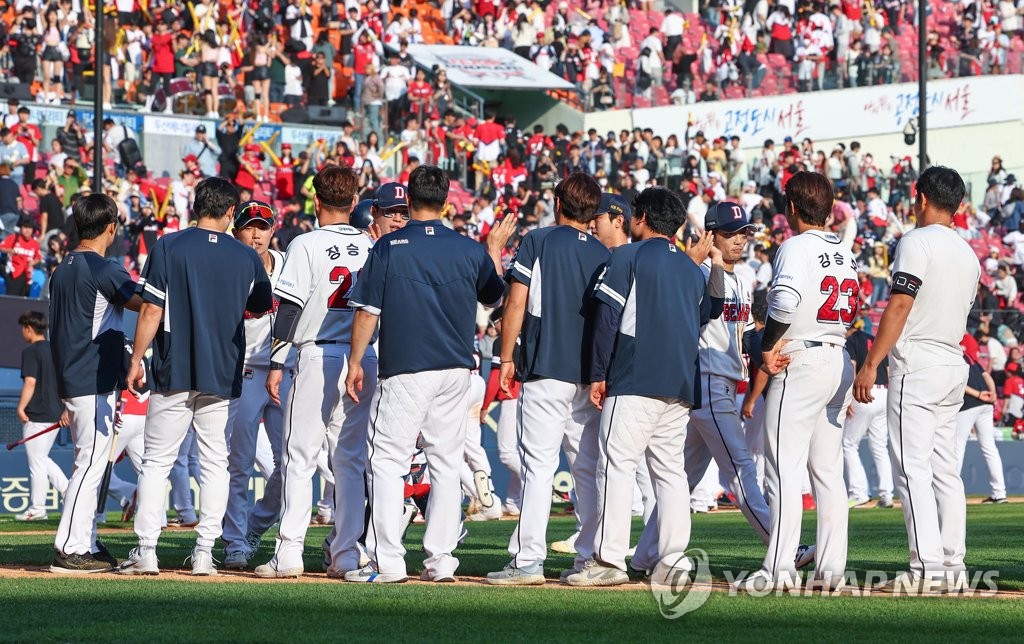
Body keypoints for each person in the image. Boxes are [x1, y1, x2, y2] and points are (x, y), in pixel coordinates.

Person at [343, 165, 515, 583]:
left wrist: (354, 360)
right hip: (457, 368)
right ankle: (440, 562)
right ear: (446, 200)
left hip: (406, 367)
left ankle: (390, 563)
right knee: (445, 462)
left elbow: (367, 310)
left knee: (387, 462)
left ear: (410, 201)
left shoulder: (389, 246)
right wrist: (492, 250)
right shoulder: (467, 247)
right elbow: (494, 297)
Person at [117, 177, 273, 576]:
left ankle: (147, 550)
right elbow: (258, 305)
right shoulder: (247, 257)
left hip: (176, 365)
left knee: (157, 462)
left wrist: (136, 357)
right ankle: (205, 552)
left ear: (196, 207)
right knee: (215, 463)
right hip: (223, 369)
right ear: (228, 213)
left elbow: (151, 308)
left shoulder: (169, 244)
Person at [567, 186, 711, 586]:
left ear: (642, 217)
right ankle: (673, 561)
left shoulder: (627, 255)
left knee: (616, 466)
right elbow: (702, 318)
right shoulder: (689, 267)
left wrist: (598, 374)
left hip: (634, 377)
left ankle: (609, 560)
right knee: (670, 473)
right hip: (680, 382)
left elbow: (607, 319)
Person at [853, 166, 981, 593]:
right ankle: (953, 565)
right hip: (952, 363)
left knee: (912, 469)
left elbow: (900, 305)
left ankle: (926, 568)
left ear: (920, 197)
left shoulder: (914, 241)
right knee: (946, 470)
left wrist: (871, 362)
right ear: (958, 205)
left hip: (919, 364)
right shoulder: (969, 252)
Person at [735, 171, 857, 593]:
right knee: (827, 472)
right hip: (838, 354)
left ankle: (778, 569)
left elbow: (784, 300)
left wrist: (767, 344)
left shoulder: (794, 245)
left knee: (783, 469)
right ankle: (831, 568)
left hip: (800, 356)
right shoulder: (847, 251)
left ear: (791, 208)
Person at [252, 165, 375, 579]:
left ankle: (288, 554)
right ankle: (345, 555)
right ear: (355, 203)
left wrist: (275, 361)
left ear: (317, 201)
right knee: (350, 461)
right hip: (363, 357)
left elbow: (288, 308)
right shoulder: (372, 243)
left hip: (317, 357)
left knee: (299, 458)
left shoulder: (306, 244)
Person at [486, 172, 609, 586]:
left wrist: (505, 357)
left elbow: (516, 300)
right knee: (587, 469)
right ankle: (590, 557)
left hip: (544, 367)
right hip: (586, 373)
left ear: (559, 202)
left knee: (538, 467)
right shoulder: (603, 251)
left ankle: (528, 562)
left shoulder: (538, 240)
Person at [48, 193, 143, 574]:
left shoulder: (63, 267)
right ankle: (69, 548)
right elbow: (142, 302)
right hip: (91, 376)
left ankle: (85, 540)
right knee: (89, 465)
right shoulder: (102, 267)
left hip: (74, 376)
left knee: (86, 463)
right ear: (111, 227)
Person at [221, 201, 294, 570]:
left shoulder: (288, 263)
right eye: (249, 226)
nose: (256, 233)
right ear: (237, 231)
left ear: (272, 230)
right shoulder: (231, 265)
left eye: (262, 226)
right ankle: (234, 541)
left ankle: (253, 526)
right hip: (247, 371)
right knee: (239, 463)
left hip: (286, 371)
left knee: (292, 463)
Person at [15, 311, 67, 522]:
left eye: (23, 328)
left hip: (36, 415)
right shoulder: (56, 350)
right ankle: (68, 491)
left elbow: (30, 382)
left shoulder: (31, 351)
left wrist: (20, 407)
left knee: (37, 462)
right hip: (54, 413)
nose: (22, 332)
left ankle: (38, 508)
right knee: (42, 460)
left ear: (29, 328)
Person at [843, 321, 894, 508]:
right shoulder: (874, 339)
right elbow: (888, 371)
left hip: (864, 392)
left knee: (848, 444)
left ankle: (858, 492)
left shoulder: (852, 340)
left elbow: (852, 368)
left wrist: (848, 398)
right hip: (885, 393)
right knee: (880, 446)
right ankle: (887, 494)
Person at [953, 351, 1007, 505]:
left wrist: (979, 394)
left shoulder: (951, 353)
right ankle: (999, 492)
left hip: (969, 404)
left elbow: (957, 383)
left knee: (957, 447)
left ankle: (952, 493)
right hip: (986, 404)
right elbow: (986, 376)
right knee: (989, 447)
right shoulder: (967, 354)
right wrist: (993, 393)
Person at [0, 215, 41, 296]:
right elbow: (1, 247)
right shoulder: (14, 238)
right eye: (25, 227)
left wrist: (33, 262)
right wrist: (9, 250)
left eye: (29, 228)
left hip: (27, 276)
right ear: (21, 228)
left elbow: (38, 258)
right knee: (12, 299)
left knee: (24, 301)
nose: (27, 230)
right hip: (13, 273)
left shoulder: (35, 244)